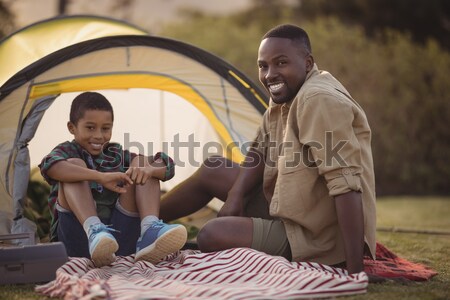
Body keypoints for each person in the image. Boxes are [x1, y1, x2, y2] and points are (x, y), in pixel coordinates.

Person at [159, 24, 376, 275]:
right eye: (263, 66)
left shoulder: (318, 100)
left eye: (281, 63)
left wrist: (354, 270)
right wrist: (235, 197)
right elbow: (261, 148)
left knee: (212, 234)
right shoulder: (285, 93)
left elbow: (345, 184)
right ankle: (140, 225)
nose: (270, 74)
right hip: (292, 204)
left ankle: (337, 259)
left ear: (307, 63)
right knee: (214, 168)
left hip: (316, 236)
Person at [39, 92, 187, 267]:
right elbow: (51, 167)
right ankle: (95, 229)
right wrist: (100, 177)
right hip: (78, 240)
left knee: (141, 163)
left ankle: (149, 230)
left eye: (105, 128)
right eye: (90, 127)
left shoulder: (115, 154)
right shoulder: (66, 151)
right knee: (75, 166)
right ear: (72, 128)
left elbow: (167, 167)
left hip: (119, 242)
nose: (99, 136)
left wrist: (148, 169)